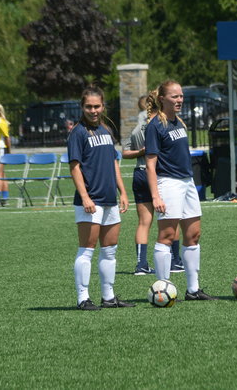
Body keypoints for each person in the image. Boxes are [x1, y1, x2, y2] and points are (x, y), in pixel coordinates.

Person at [145, 80, 217, 301]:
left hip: (187, 182)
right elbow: (150, 164)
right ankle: (162, 289)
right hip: (168, 183)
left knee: (193, 235)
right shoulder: (155, 125)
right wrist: (155, 195)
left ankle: (193, 290)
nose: (179, 100)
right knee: (167, 236)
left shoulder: (178, 122)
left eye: (181, 96)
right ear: (162, 99)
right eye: (174, 96)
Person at [68, 86, 134, 310]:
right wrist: (85, 197)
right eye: (89, 106)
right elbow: (74, 167)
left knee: (110, 249)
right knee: (87, 249)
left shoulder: (106, 130)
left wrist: (122, 191)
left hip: (109, 199)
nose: (93, 110)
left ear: (103, 106)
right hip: (91, 201)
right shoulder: (77, 133)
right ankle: (83, 298)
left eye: (97, 106)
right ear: (82, 107)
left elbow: (113, 162)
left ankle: (108, 297)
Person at [122, 92, 184, 275]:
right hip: (159, 175)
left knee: (144, 222)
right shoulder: (162, 124)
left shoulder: (138, 126)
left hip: (140, 174)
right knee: (172, 219)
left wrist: (140, 152)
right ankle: (175, 261)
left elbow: (125, 152)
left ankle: (141, 264)